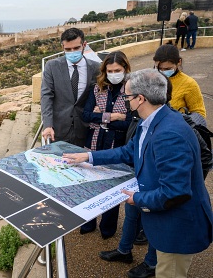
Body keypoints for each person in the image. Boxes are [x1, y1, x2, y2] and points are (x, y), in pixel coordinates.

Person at [63, 69, 213, 278]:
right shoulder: (151, 120)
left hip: (177, 228)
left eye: (127, 96)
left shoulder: (169, 135)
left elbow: (176, 192)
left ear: (140, 99)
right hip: (166, 220)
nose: (125, 101)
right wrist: (89, 157)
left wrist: (138, 198)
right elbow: (129, 151)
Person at [79, 51, 132, 238]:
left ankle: (107, 229)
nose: (113, 73)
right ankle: (87, 223)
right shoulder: (97, 88)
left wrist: (101, 116)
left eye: (117, 70)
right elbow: (86, 115)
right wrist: (114, 116)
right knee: (89, 185)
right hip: (93, 142)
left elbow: (129, 122)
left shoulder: (132, 90)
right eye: (110, 70)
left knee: (112, 188)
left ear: (125, 69)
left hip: (115, 146)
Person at [40, 27, 100, 147]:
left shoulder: (96, 68)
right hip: (58, 129)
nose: (72, 52)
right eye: (68, 49)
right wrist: (47, 125)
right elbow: (46, 96)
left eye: (76, 48)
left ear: (84, 45)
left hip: (84, 128)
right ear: (62, 47)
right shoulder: (52, 67)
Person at [153, 43, 207, 125]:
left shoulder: (189, 84)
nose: (163, 72)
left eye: (168, 69)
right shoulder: (150, 79)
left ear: (179, 62)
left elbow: (199, 113)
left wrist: (181, 124)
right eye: (160, 69)